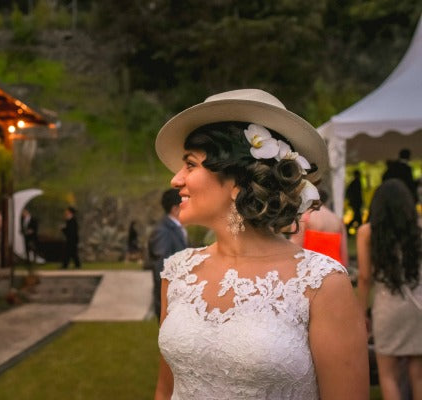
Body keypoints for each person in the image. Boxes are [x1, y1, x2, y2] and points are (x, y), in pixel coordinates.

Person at [154, 89, 368, 399]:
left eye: (189, 165)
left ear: (237, 181)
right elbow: (165, 389)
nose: (175, 180)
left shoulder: (322, 283)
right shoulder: (176, 273)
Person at [356, 179, 422, 400]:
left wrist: (360, 312)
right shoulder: (419, 229)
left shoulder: (367, 232)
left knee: (388, 376)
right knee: (418, 375)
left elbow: (365, 278)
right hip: (418, 307)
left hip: (387, 308)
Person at [147, 189, 187, 321]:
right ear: (175, 209)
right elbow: (162, 268)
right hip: (171, 301)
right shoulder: (162, 231)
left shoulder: (177, 228)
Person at [290, 189, 348, 266]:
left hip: (312, 269)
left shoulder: (303, 217)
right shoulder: (337, 220)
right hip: (335, 270)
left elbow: (295, 250)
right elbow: (344, 258)